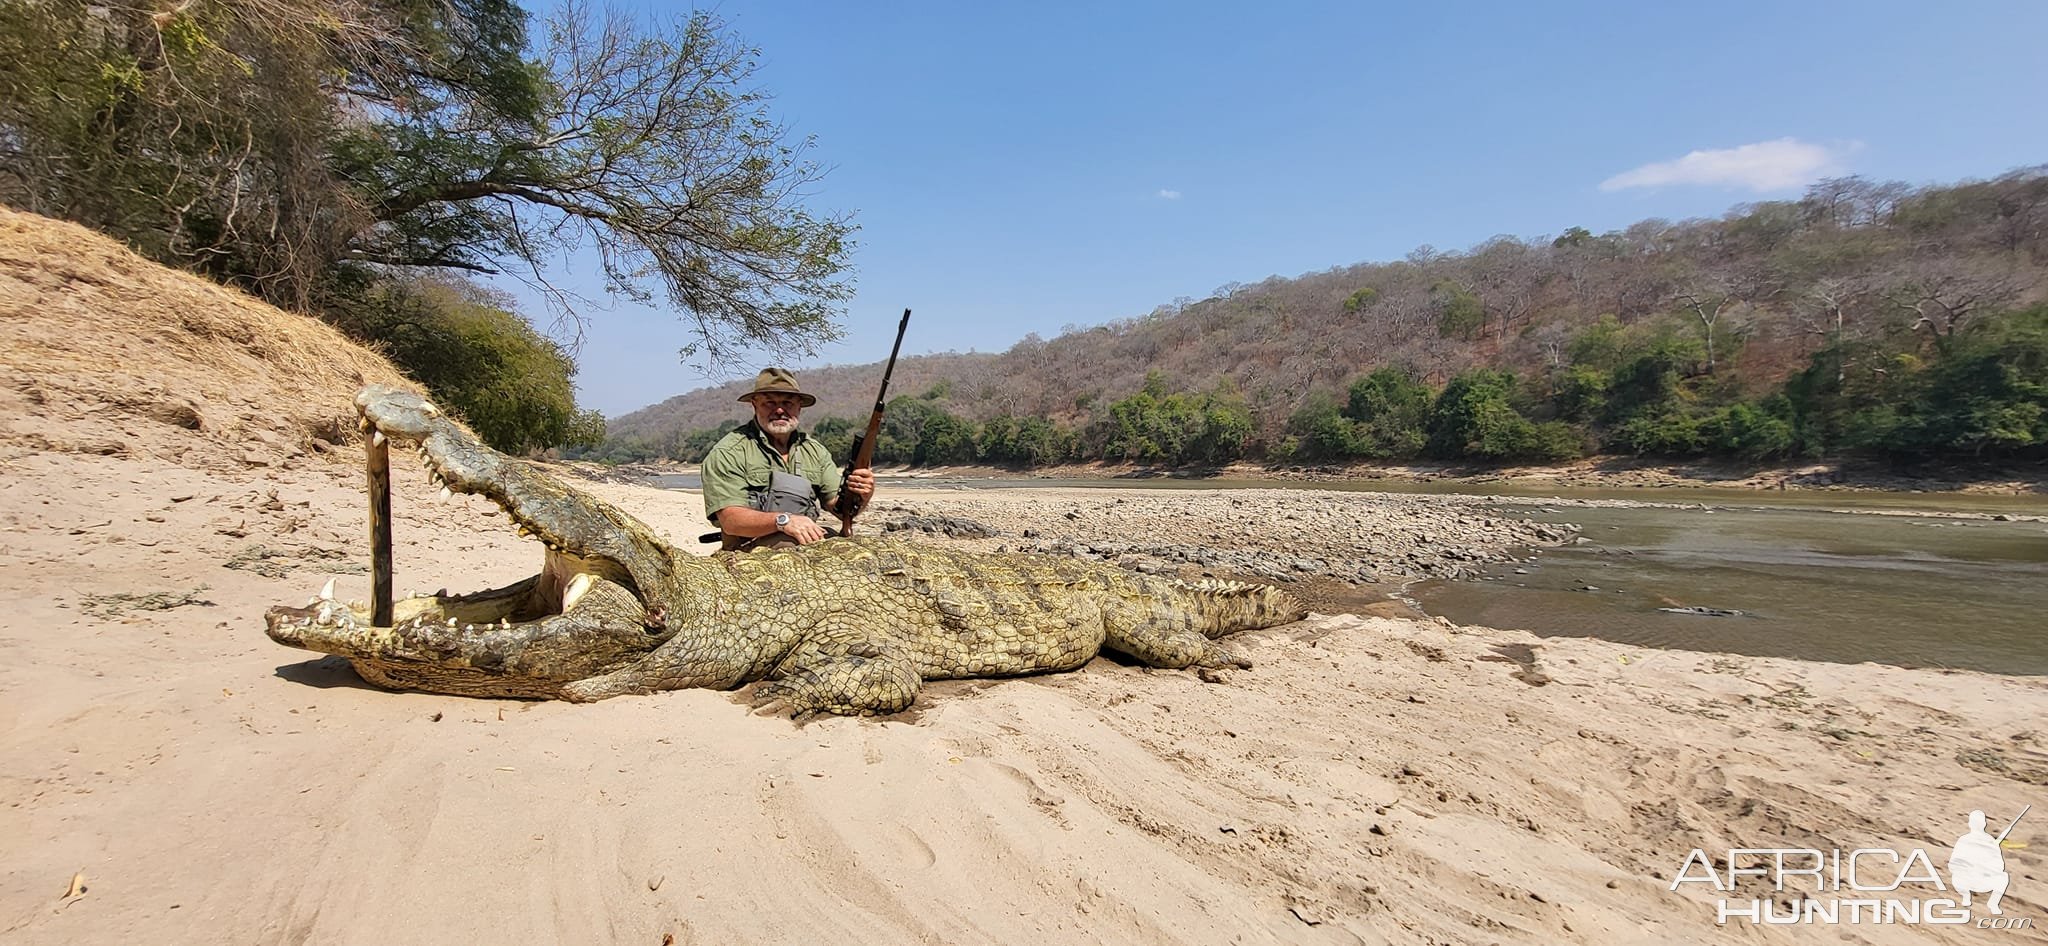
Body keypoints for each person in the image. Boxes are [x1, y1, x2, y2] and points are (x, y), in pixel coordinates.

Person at [700, 367, 875, 551]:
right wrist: (784, 521)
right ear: (754, 404)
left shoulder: (815, 451)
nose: (780, 410)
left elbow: (839, 509)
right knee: (791, 544)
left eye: (788, 403)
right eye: (770, 403)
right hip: (747, 552)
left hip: (803, 542)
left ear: (799, 406)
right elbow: (731, 520)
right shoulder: (728, 452)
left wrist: (862, 495)